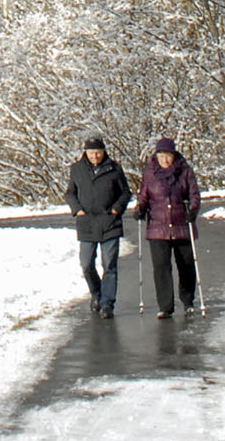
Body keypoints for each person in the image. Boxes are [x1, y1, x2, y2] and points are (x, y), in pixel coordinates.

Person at [136, 134, 204, 318]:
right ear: (156, 156)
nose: (164, 160)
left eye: (168, 155)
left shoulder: (185, 171)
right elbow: (143, 195)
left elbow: (194, 195)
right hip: (158, 228)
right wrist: (140, 209)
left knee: (186, 265)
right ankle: (165, 306)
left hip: (182, 225)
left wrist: (193, 211)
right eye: (161, 156)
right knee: (161, 268)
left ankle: (188, 300)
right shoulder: (150, 173)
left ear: (174, 155)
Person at [64, 135, 131, 319]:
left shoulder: (115, 168)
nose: (95, 156)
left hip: (110, 222)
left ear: (104, 152)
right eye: (91, 152)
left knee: (109, 264)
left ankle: (107, 303)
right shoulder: (77, 169)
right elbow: (70, 193)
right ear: (85, 152)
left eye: (98, 152)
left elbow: (125, 192)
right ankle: (96, 293)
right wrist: (77, 209)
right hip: (87, 223)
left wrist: (117, 209)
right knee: (86, 264)